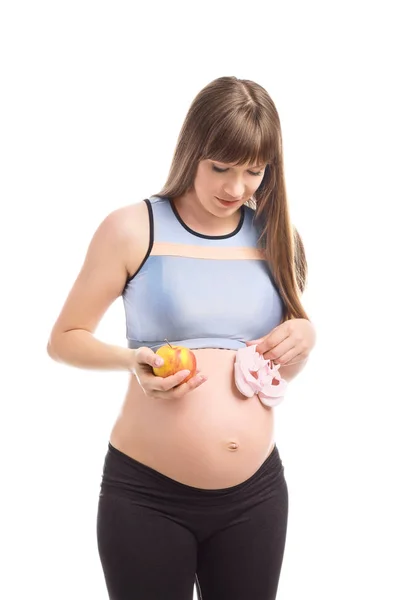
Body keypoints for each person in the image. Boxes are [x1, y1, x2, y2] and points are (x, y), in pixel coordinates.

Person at [47, 75, 316, 600]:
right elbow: (64, 338)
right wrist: (132, 360)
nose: (236, 189)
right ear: (192, 150)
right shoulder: (133, 228)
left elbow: (278, 371)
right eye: (220, 167)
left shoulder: (275, 237)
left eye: (253, 172)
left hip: (256, 497)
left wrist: (304, 335)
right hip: (148, 496)